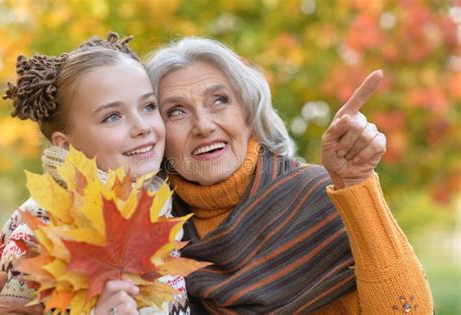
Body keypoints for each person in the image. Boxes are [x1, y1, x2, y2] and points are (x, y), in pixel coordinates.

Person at [143, 37, 434, 313]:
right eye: (176, 111)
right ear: (156, 133)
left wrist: (356, 183)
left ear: (249, 114)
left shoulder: (316, 194)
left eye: (219, 100)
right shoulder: (152, 226)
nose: (203, 125)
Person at [0, 33, 189, 315]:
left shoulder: (162, 204)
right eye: (112, 117)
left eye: (148, 106)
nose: (142, 126)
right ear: (67, 145)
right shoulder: (45, 225)